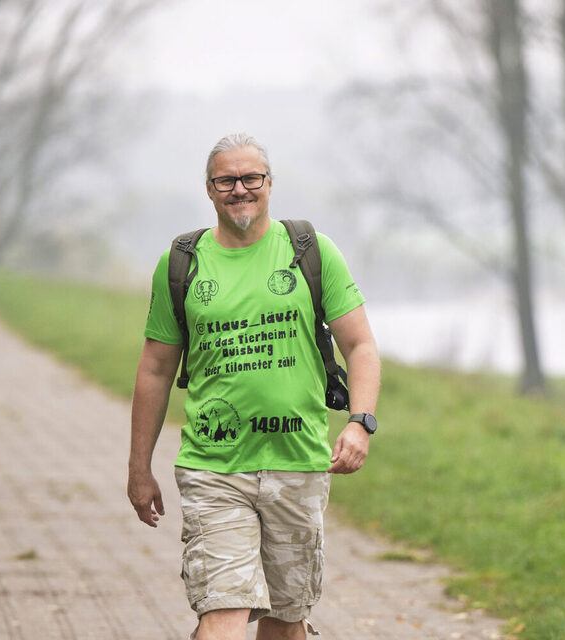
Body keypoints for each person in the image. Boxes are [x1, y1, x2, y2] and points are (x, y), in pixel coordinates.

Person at [127, 133, 381, 640]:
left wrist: (360, 422)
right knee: (223, 614)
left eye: (251, 178)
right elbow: (155, 369)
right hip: (213, 467)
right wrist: (139, 467)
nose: (239, 189)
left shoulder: (311, 251)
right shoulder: (181, 263)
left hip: (298, 462)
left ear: (269, 184)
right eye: (226, 180)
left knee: (287, 625)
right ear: (209, 188)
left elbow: (361, 347)